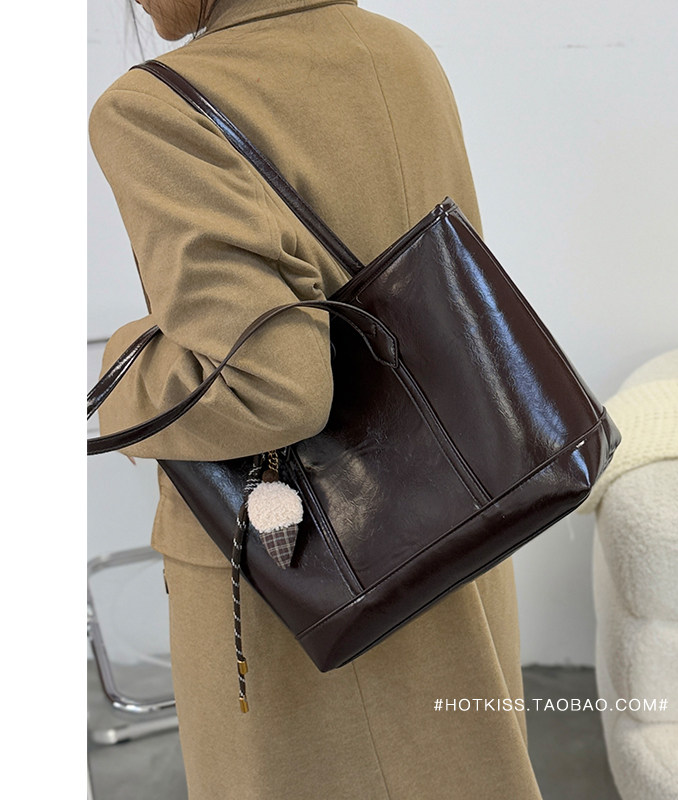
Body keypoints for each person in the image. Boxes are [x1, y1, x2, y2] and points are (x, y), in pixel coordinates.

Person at [89, 1, 544, 797]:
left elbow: (271, 388)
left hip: (301, 571)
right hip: (458, 513)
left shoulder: (155, 105)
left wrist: (123, 376)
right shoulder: (398, 51)